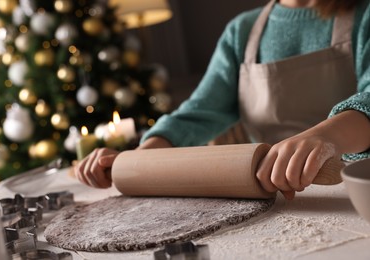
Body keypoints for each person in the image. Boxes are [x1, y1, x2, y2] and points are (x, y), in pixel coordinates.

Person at [75, 0, 370, 200]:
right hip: (277, 200)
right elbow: (197, 114)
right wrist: (140, 158)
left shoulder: (364, 14)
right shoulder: (242, 31)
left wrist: (325, 137)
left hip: (357, 196)